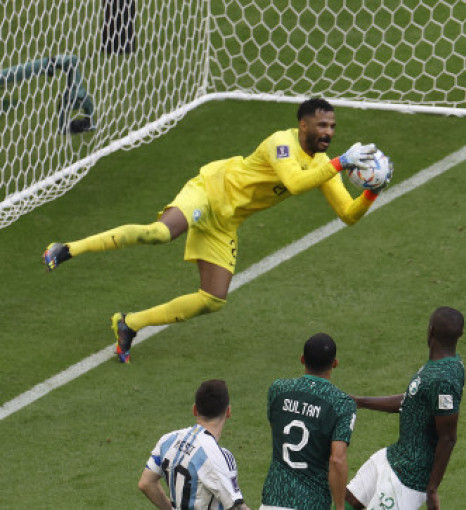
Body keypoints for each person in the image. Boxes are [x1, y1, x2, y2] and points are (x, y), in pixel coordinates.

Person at [42, 98, 387, 363]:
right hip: (209, 191)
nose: (329, 132)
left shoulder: (323, 165)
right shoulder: (280, 143)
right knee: (160, 234)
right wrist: (342, 162)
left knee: (213, 299)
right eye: (322, 125)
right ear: (302, 125)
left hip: (226, 222)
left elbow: (348, 214)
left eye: (332, 127)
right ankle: (67, 248)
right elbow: (295, 183)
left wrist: (373, 190)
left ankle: (129, 323)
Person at [346, 306, 465, 509]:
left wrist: (432, 489)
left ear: (430, 331)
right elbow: (413, 399)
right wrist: (360, 401)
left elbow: (448, 437)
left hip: (409, 477)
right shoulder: (447, 365)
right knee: (349, 499)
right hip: (395, 456)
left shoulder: (443, 379)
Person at [260, 333, 356, 510]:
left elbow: (276, 430)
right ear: (335, 363)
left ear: (302, 359)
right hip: (312, 503)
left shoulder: (278, 390)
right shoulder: (341, 403)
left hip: (272, 500)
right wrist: (340, 506)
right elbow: (337, 459)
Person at [139, 379, 251, 509]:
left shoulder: (168, 440)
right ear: (228, 412)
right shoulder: (219, 457)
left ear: (194, 409)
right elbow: (236, 506)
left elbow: (146, 483)